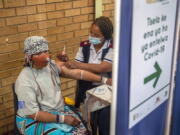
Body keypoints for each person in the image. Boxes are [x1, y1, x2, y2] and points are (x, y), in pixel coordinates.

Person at [15, 36, 111, 135]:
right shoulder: (24, 81)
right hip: (33, 119)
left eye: (46, 51)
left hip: (56, 111)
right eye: (39, 53)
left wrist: (104, 80)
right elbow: (33, 114)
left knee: (83, 131)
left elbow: (78, 73)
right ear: (29, 57)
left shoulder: (50, 66)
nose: (46, 56)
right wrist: (63, 119)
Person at [58, 16, 113, 135]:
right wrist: (68, 62)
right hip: (87, 90)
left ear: (106, 36)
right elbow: (75, 67)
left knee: (104, 123)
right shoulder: (85, 46)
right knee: (89, 124)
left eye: (97, 35)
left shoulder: (112, 47)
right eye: (91, 33)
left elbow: (102, 67)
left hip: (106, 92)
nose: (92, 37)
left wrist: (77, 65)